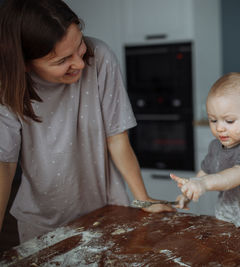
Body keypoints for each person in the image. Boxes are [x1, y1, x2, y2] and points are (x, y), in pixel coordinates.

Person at [0, 0, 174, 243]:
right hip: (41, 220)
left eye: (79, 45)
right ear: (25, 65)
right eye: (62, 61)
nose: (80, 63)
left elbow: (117, 139)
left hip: (105, 210)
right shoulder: (7, 86)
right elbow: (4, 165)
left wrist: (143, 199)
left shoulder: (100, 56)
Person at [171, 72, 240, 231]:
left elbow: (235, 176)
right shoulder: (215, 146)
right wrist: (189, 191)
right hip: (232, 213)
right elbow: (205, 171)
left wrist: (204, 184)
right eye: (213, 120)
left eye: (229, 121)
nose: (219, 128)